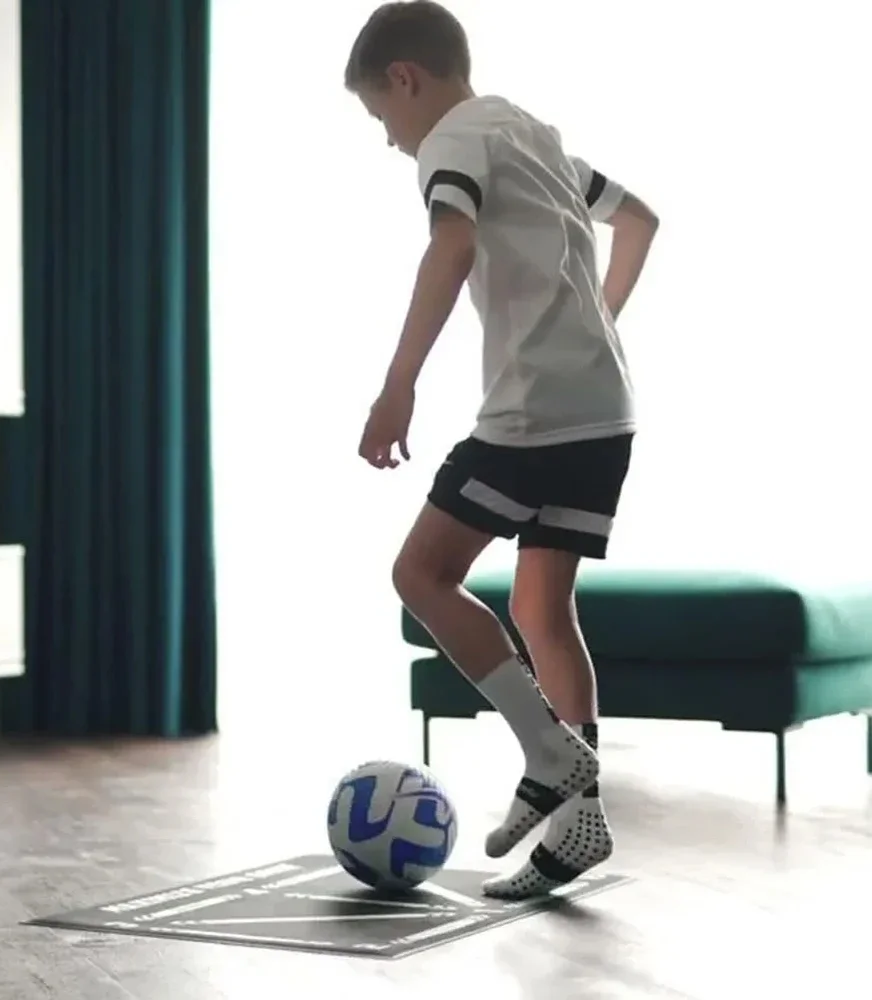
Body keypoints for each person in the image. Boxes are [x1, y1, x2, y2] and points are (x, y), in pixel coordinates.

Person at [345, 1, 659, 899]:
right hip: (605, 409)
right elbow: (639, 220)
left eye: (381, 115)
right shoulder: (534, 133)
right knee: (543, 609)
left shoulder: (450, 142)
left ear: (405, 78)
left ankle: (549, 755)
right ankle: (578, 825)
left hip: (533, 416)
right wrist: (595, 323)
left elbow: (452, 243)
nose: (391, 140)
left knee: (421, 576)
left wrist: (398, 382)